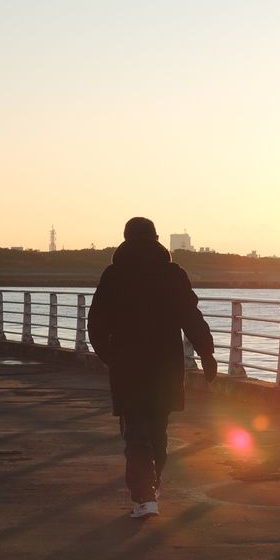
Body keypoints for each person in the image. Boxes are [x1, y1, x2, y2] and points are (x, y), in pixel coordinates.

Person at [88, 216, 217, 519]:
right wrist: (207, 354)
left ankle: (144, 497)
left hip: (127, 368)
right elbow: (191, 317)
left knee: (135, 432)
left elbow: (96, 322)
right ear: (157, 239)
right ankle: (153, 484)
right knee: (159, 428)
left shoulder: (114, 275)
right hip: (166, 367)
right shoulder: (172, 274)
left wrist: (110, 355)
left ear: (125, 238)